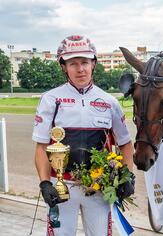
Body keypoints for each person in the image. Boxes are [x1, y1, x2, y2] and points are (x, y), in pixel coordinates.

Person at [32, 35, 134, 235]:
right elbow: (42, 147)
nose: (80, 69)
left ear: (93, 63)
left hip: (98, 188)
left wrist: (127, 176)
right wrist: (45, 183)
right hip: (61, 188)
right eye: (73, 63)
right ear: (64, 66)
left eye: (85, 62)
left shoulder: (109, 102)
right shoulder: (50, 99)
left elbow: (126, 144)